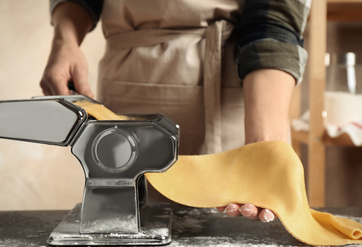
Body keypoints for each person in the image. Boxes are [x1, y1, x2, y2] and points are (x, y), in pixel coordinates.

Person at [40, 0, 311, 223]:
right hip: (129, 88)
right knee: (123, 223)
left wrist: (264, 144)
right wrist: (65, 41)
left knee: (235, 232)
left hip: (243, 89)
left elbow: (274, 16)